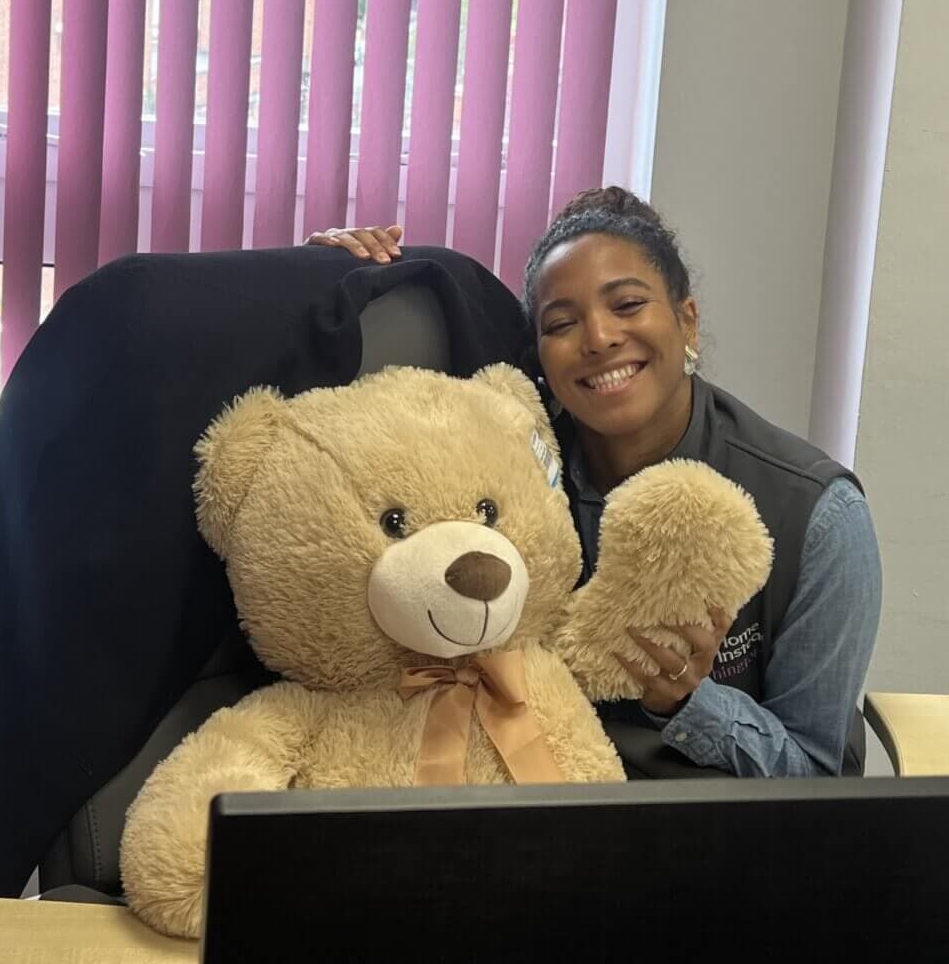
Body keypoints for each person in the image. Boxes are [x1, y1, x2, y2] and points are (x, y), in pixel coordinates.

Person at [306, 185, 882, 779]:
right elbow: (366, 444)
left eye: (628, 305)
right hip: (515, 810)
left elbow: (819, 778)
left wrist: (690, 702)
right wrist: (320, 271)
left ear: (686, 321)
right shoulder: (506, 465)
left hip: (708, 839)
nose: (599, 338)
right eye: (561, 322)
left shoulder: (817, 515)